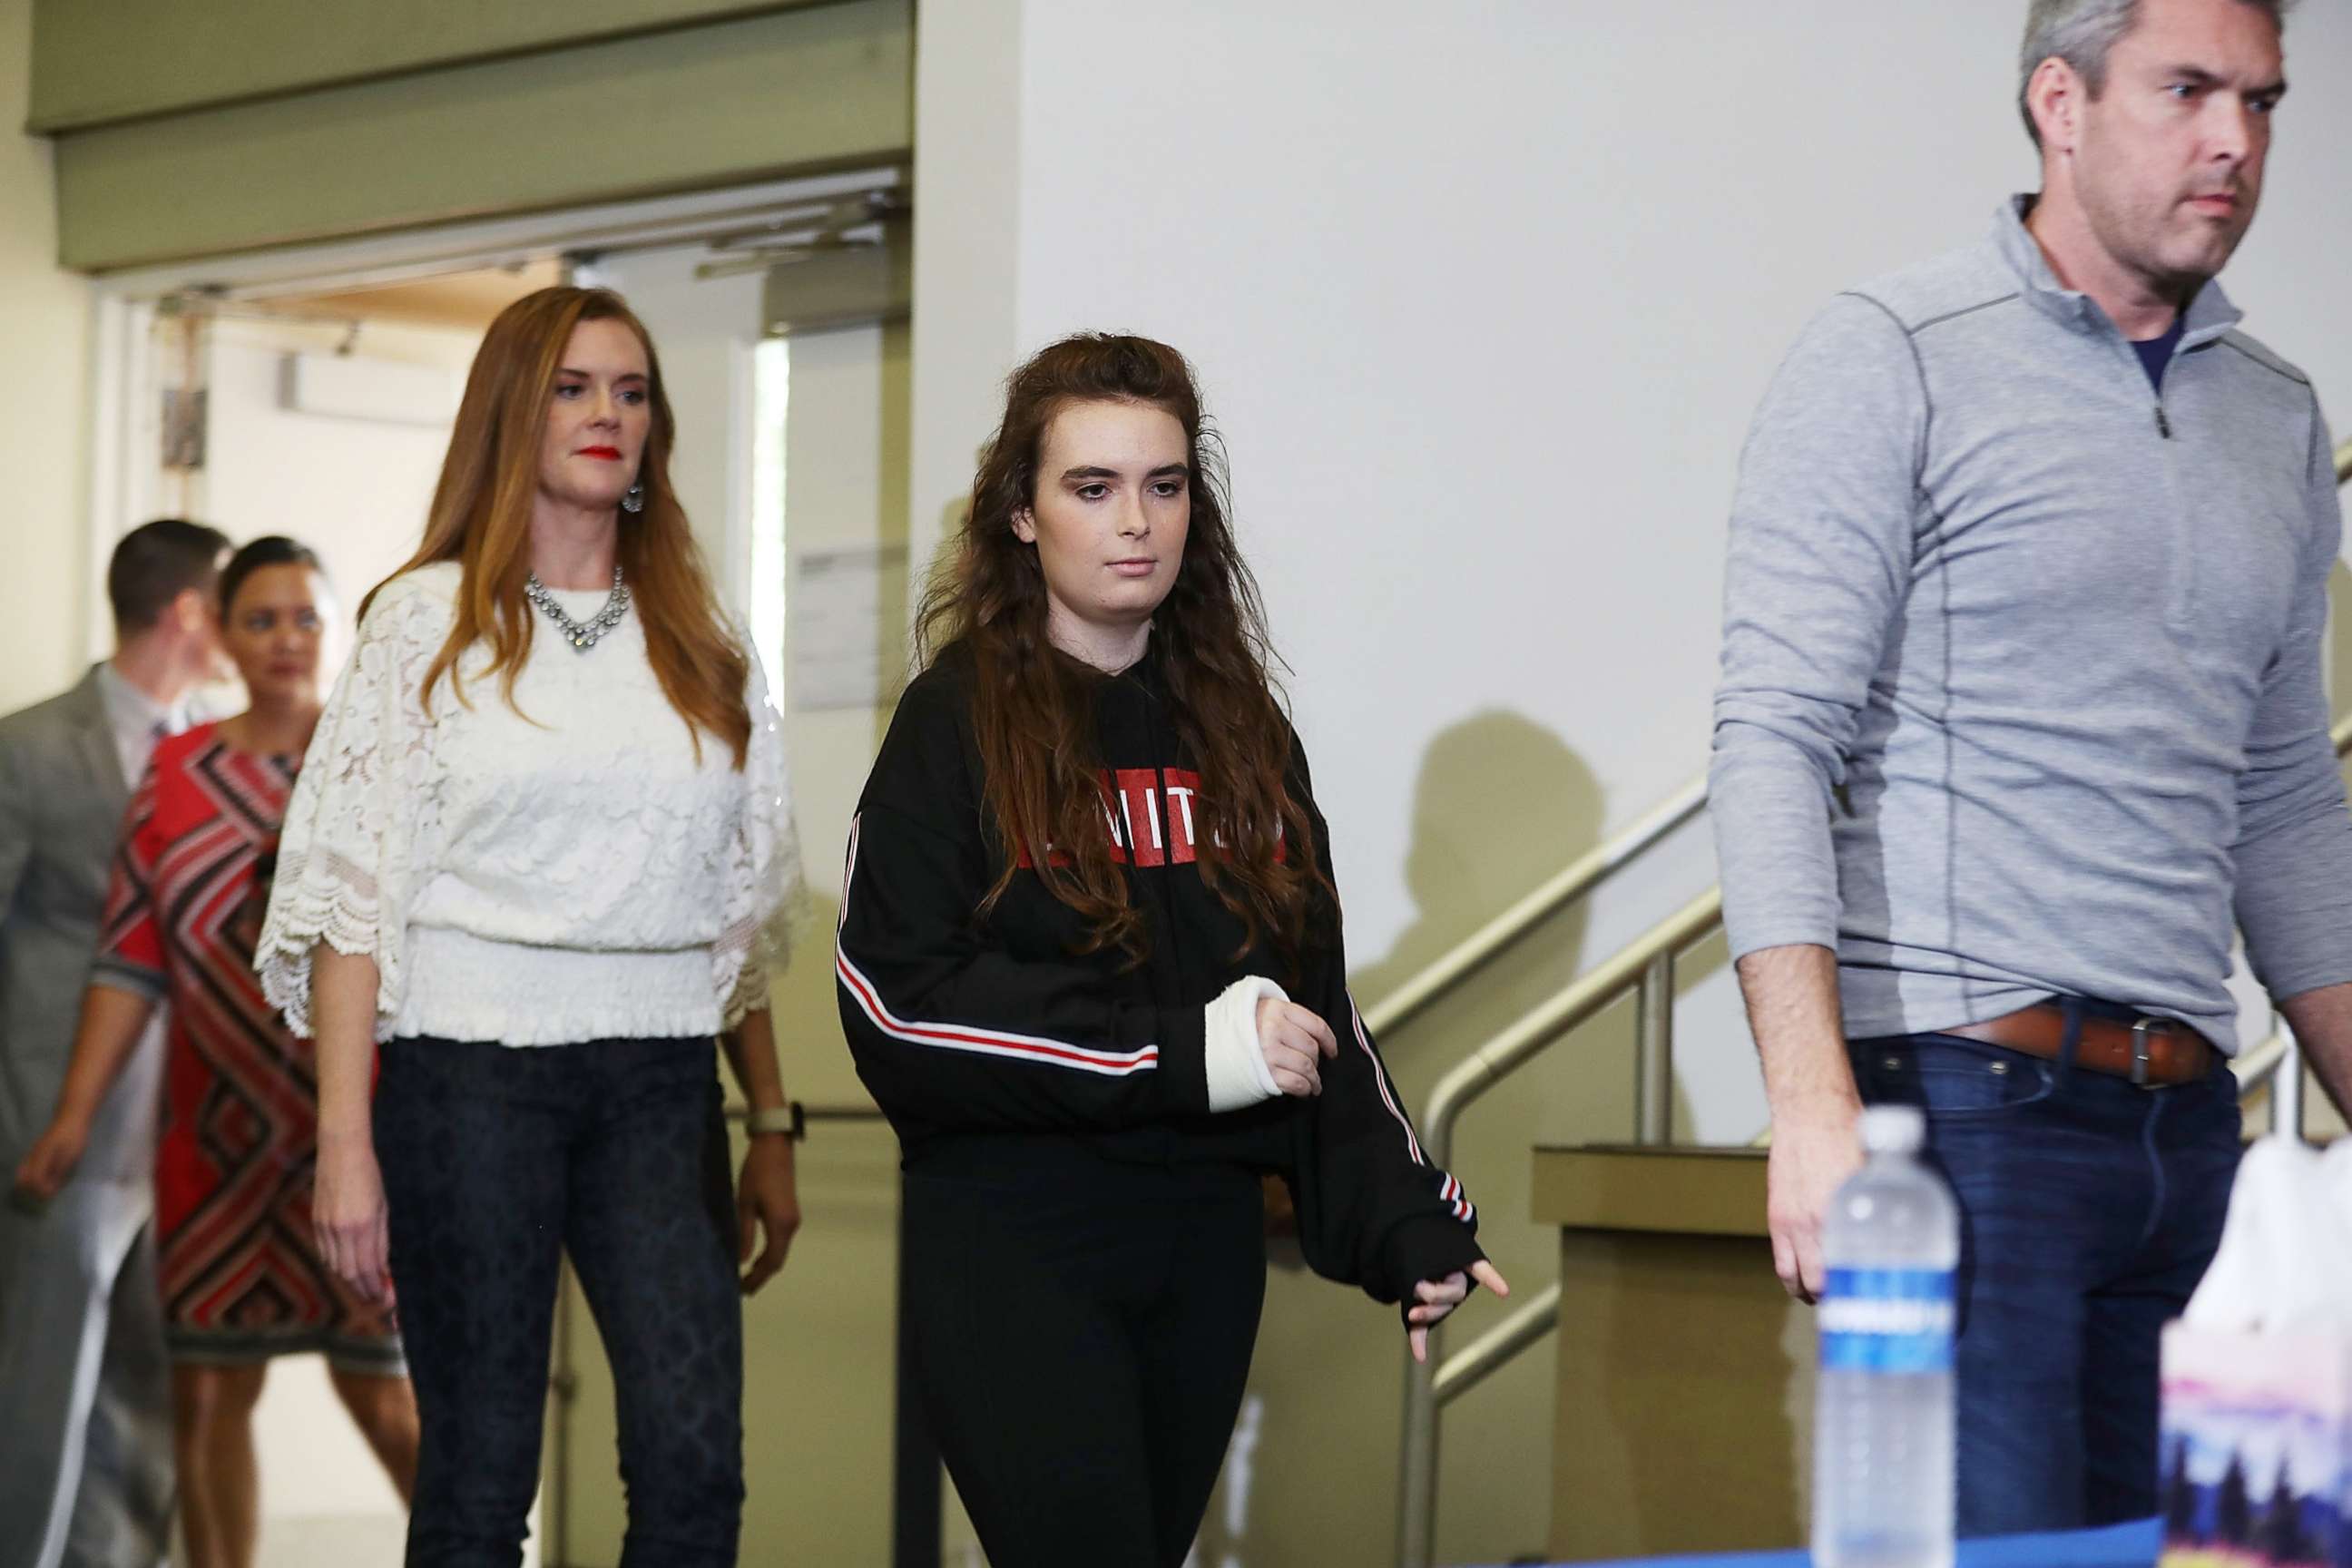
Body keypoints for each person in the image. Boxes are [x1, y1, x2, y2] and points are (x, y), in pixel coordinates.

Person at [1712, 0, 2350, 1536]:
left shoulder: (2277, 417)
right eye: (2187, 89)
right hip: (1961, 1112)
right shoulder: (1891, 351)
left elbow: (2282, 804)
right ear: (2057, 102)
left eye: (2260, 101)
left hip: (2192, 1137)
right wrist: (1807, 1108)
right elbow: (1771, 735)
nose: (2233, 141)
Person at [836, 333, 1504, 1568]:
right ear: (1023, 516)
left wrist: (1403, 1213)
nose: (1135, 521)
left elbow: (1314, 1012)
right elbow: (900, 1008)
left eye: (1165, 484)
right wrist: (1174, 1051)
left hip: (1202, 1246)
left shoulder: (1244, 733)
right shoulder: (952, 725)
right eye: (1091, 488)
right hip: (1016, 1244)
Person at [252, 287, 804, 1567]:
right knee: (481, 1479)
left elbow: (730, 911)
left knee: (692, 1465)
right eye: (572, 387)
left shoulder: (707, 639)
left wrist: (769, 1118)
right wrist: (345, 1148)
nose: (607, 413)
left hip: (663, 1084)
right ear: (514, 411)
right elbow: (350, 900)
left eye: (631, 390)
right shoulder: (420, 621)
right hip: (468, 1079)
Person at [17, 537, 420, 1568]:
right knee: (203, 1396)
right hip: (210, 1143)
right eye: (262, 619)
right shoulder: (176, 770)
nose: (287, 639)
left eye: (307, 617)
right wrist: (70, 1118)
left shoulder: (379, 760)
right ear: (223, 634)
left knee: (383, 1396)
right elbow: (129, 957)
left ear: (335, 632)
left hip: (352, 1139)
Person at [0, 517, 230, 1568]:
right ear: (188, 609)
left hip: (189, 1141)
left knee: (153, 1405)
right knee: (41, 1400)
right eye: (231, 602)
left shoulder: (218, 751)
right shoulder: (33, 746)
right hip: (60, 1133)